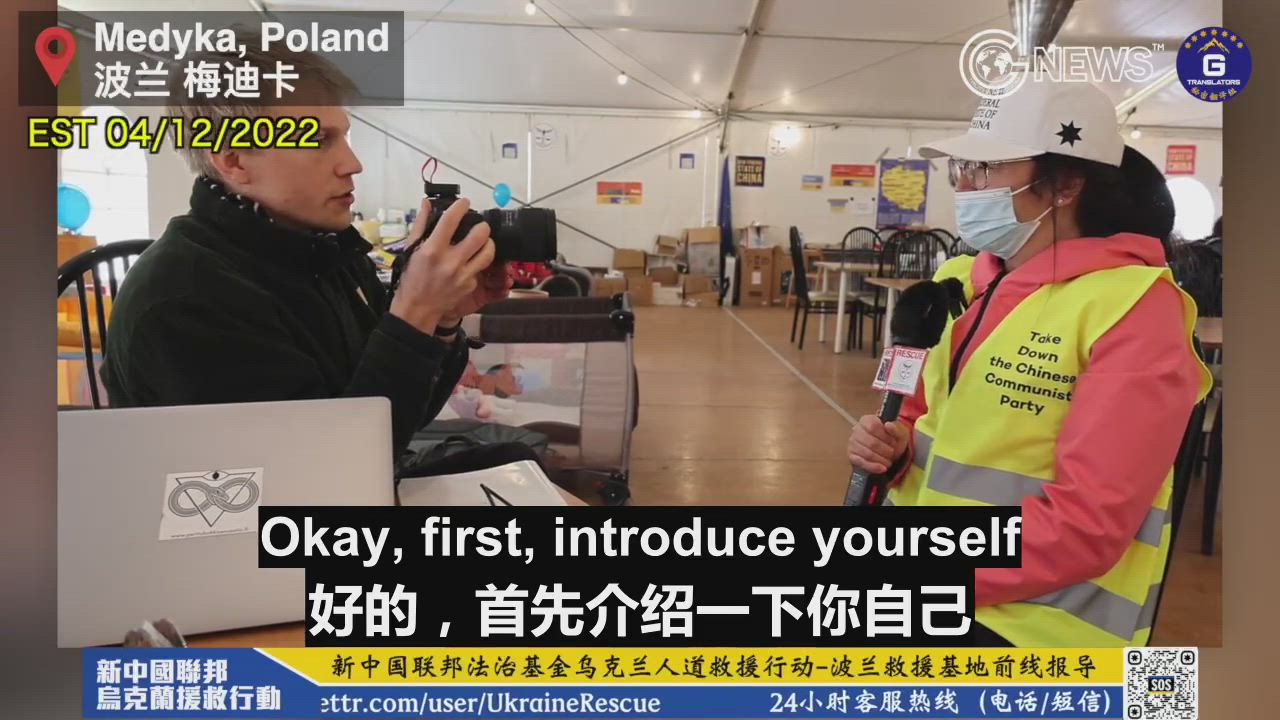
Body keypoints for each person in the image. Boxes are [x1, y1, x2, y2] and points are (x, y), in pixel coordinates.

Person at [846, 81, 1213, 647]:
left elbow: (1087, 524)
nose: (964, 186)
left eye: (986, 168)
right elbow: (920, 424)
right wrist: (893, 449)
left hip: (1039, 629)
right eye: (962, 168)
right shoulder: (956, 283)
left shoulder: (1135, 309)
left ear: (1065, 183)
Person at [100, 40, 512, 469]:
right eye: (318, 139)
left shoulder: (322, 250)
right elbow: (320, 472)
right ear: (234, 160)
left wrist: (441, 320)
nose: (352, 163)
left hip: (355, 482)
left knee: (517, 460)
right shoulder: (186, 299)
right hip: (272, 507)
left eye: (344, 137)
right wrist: (415, 314)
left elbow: (404, 417)